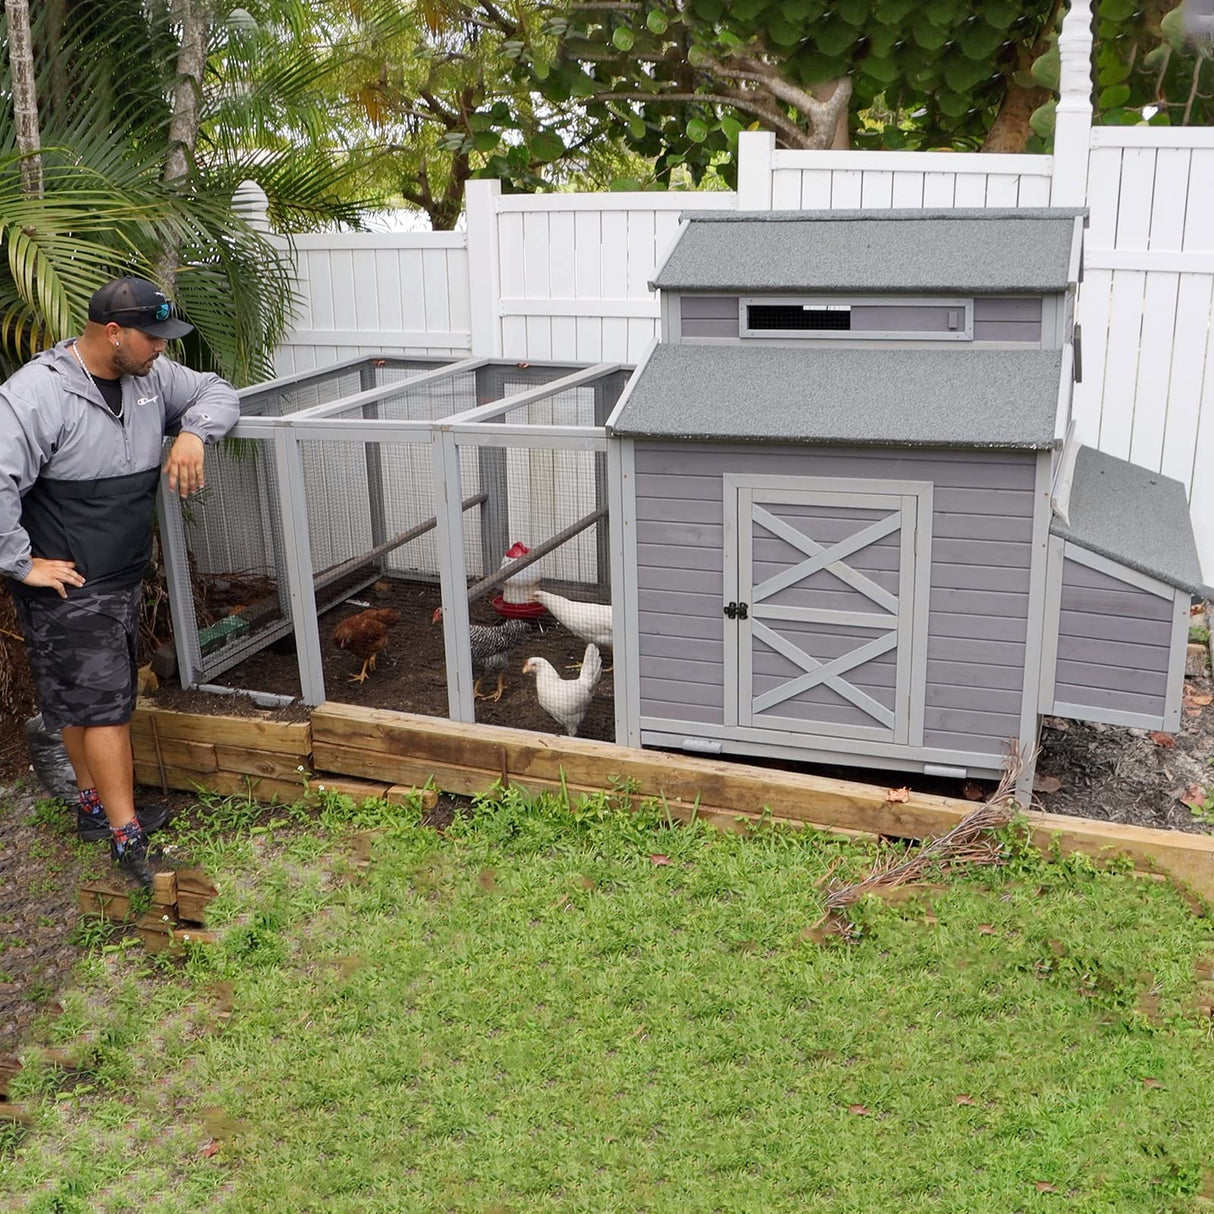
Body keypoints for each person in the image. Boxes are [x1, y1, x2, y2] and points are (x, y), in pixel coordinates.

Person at [0, 277, 240, 886]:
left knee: (78, 699)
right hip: (70, 584)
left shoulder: (151, 377)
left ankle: (90, 808)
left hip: (118, 573)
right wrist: (20, 562)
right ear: (113, 333)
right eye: (152, 337)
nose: (163, 348)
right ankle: (127, 839)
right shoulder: (36, 394)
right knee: (106, 709)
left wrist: (191, 432)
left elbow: (217, 391)